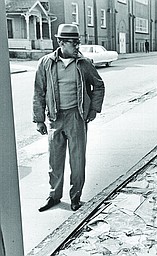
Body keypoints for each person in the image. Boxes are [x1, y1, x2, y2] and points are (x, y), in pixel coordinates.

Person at [33, 24, 105, 212]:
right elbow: (39, 92)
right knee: (54, 160)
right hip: (55, 118)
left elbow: (98, 86)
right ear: (61, 43)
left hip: (76, 117)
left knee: (77, 160)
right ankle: (54, 196)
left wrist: (93, 109)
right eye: (73, 43)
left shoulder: (84, 63)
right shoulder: (46, 63)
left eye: (78, 42)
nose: (77, 46)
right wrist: (39, 119)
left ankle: (75, 197)